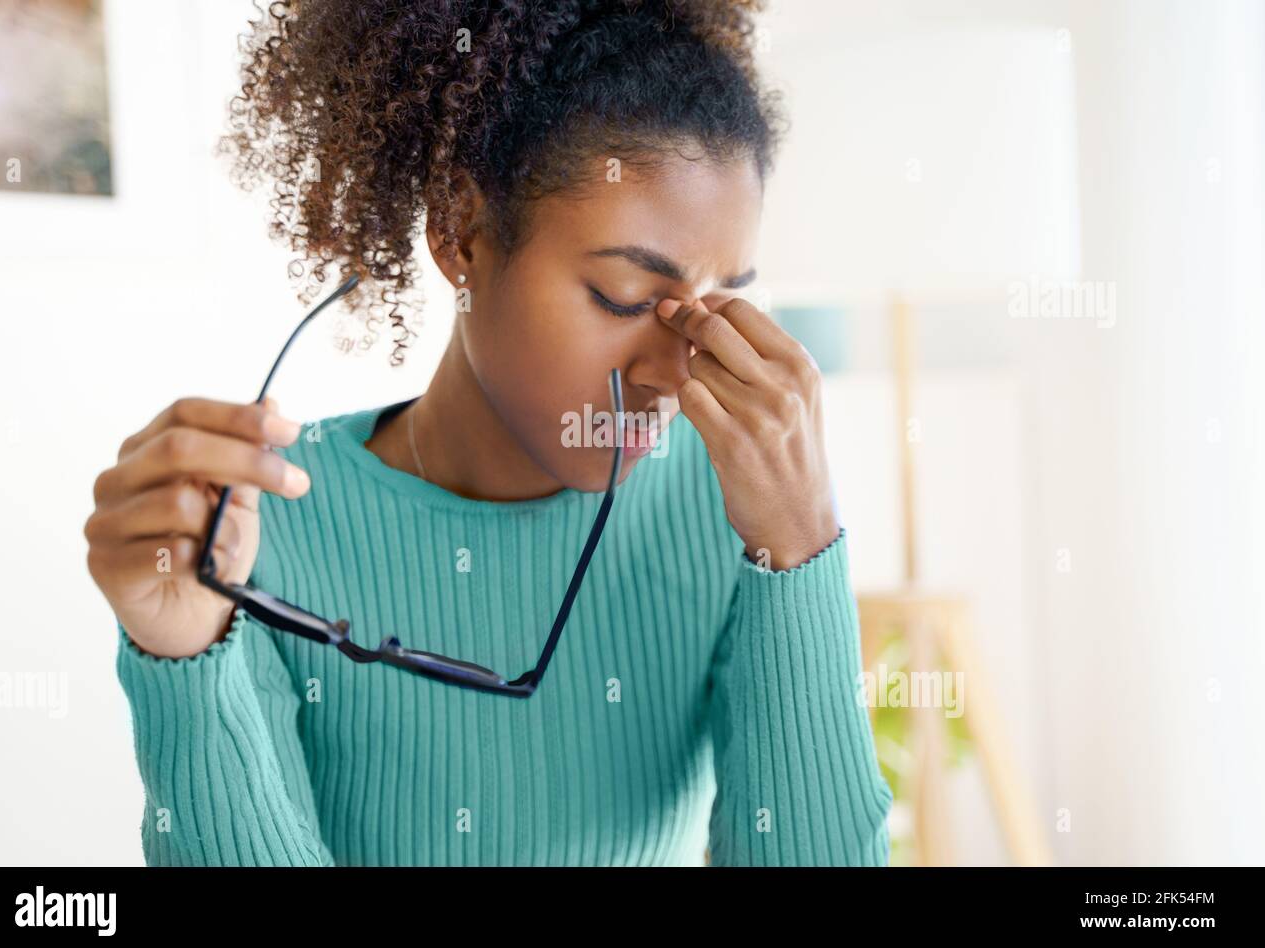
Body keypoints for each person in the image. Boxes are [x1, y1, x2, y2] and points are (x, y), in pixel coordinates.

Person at [83, 0, 893, 866]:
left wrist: (801, 546)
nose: (675, 367)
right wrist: (185, 656)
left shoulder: (732, 502)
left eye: (721, 303)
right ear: (461, 233)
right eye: (623, 297)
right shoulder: (257, 521)